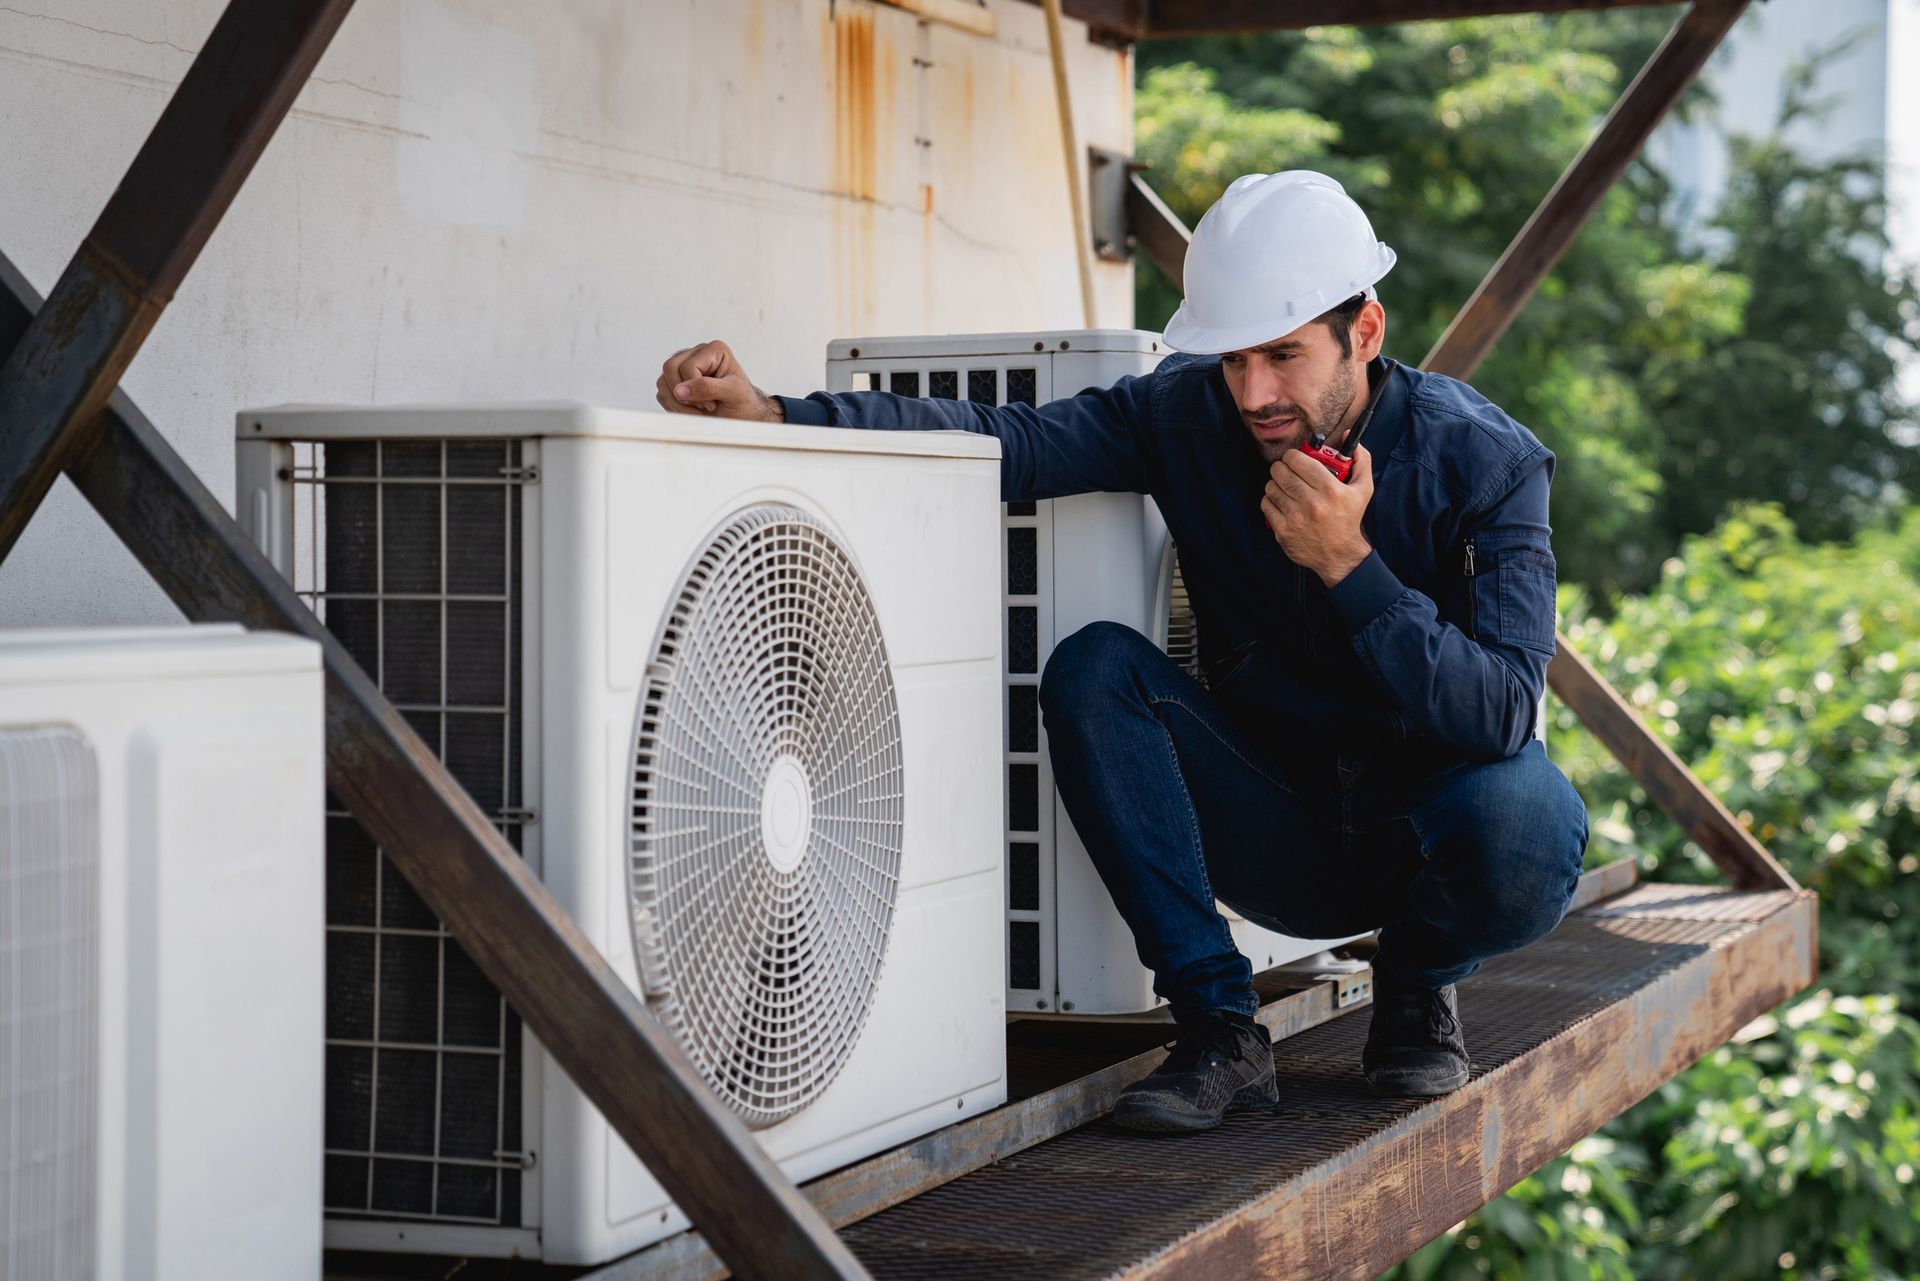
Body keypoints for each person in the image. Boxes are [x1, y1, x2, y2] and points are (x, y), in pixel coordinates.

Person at [653, 170, 1589, 1134]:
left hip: (1418, 831)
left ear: (1366, 333)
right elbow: (998, 438)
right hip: (1271, 817)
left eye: (1282, 355)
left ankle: (1414, 983)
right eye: (1232, 361)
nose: (1255, 393)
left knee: (1529, 815)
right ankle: (1222, 1028)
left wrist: (1351, 567)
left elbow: (1501, 713)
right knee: (1096, 666)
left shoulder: (1488, 461)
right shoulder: (1184, 414)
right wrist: (779, 418)